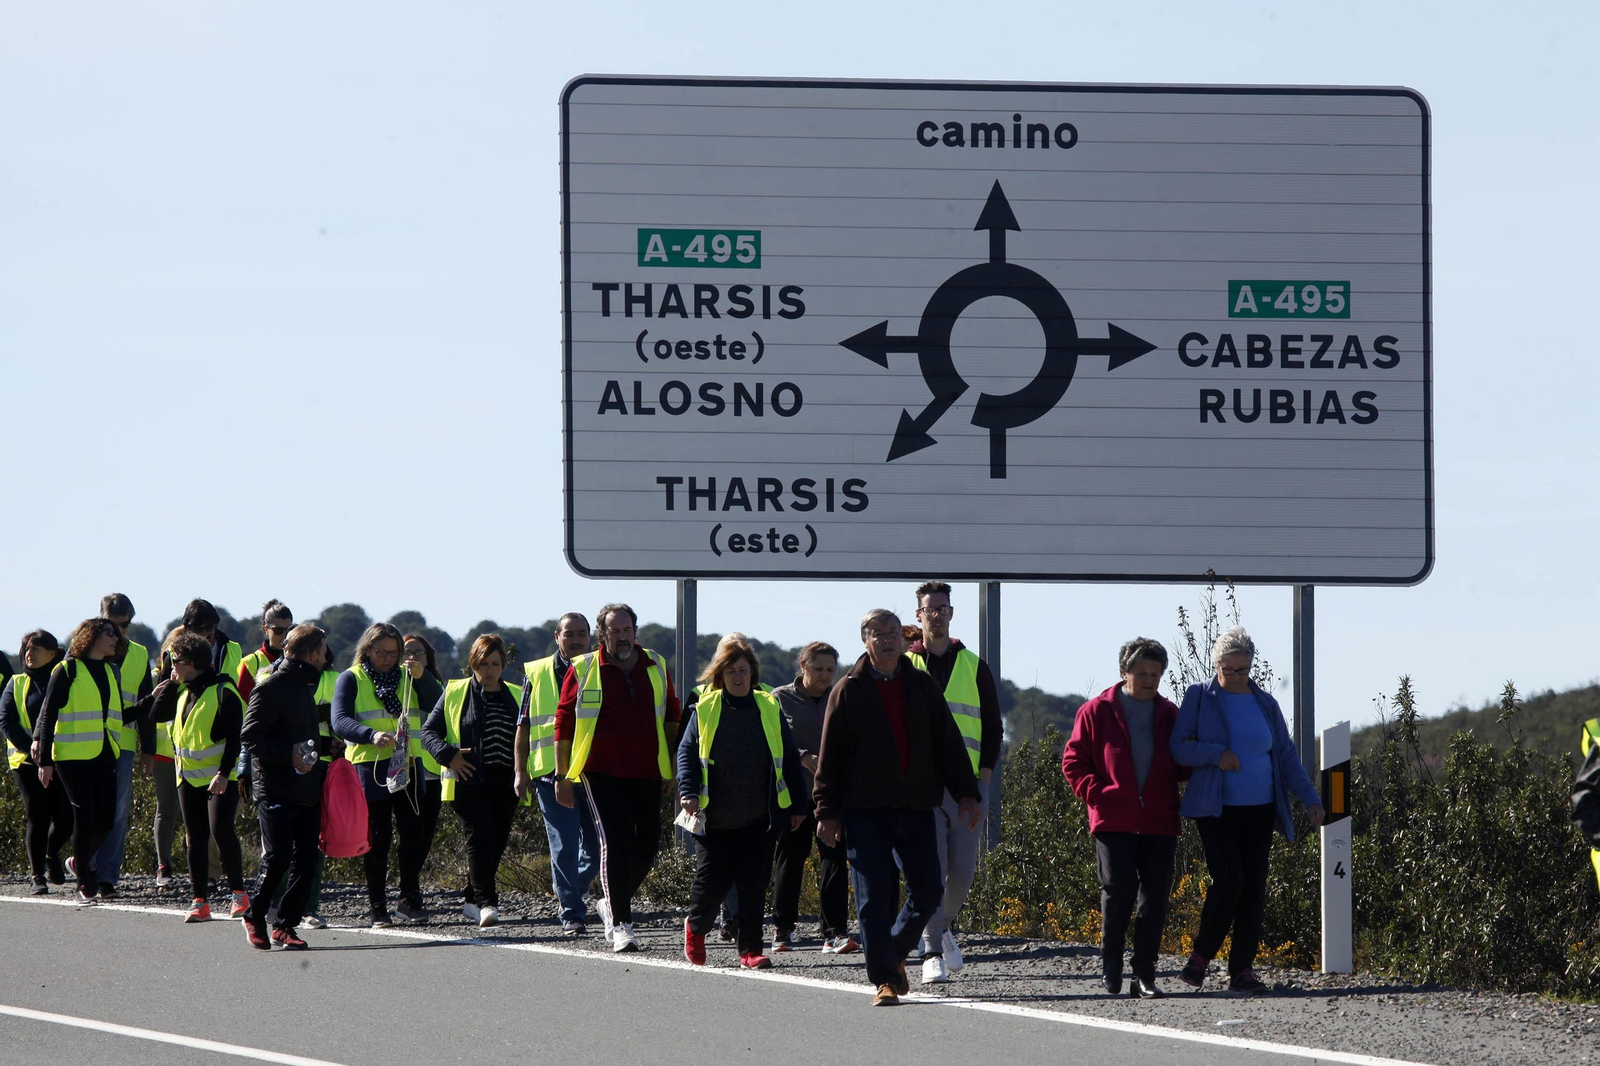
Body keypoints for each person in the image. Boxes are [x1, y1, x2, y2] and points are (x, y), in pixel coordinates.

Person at [813, 609, 982, 1006]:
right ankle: (885, 980)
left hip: (916, 808)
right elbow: (830, 757)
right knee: (873, 899)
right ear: (865, 640)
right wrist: (826, 812)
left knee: (927, 891)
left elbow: (949, 743)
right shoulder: (848, 689)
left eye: (893, 632)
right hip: (865, 812)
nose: (888, 640)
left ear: (903, 640)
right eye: (878, 633)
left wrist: (967, 794)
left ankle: (892, 953)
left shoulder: (922, 686)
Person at [1170, 626, 1324, 995]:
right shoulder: (1199, 697)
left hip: (1260, 808)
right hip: (1215, 808)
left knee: (1253, 889)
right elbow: (1177, 747)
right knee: (1230, 880)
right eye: (1229, 670)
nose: (1236, 677)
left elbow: (1285, 755)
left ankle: (1242, 970)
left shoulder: (1266, 703)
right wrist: (1215, 755)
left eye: (1243, 670)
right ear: (1216, 666)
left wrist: (1310, 798)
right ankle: (1201, 957)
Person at [553, 602, 681, 953]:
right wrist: (562, 776)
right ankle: (622, 925)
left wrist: (671, 766)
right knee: (615, 843)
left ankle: (610, 903)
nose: (622, 637)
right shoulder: (584, 667)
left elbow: (672, 714)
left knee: (648, 847)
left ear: (635, 632)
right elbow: (563, 724)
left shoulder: (656, 664)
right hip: (599, 770)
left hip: (648, 770)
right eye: (615, 631)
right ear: (602, 634)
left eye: (627, 630)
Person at [1062, 638, 1184, 998]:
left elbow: (1184, 762)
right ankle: (1110, 967)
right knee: (1118, 892)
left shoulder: (1170, 714)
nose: (1149, 680)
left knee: (1155, 898)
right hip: (1113, 820)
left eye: (1156, 674)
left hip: (1160, 819)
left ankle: (1144, 974)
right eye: (1142, 673)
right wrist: (1098, 795)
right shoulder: (1096, 711)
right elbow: (1073, 761)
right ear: (1124, 673)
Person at [677, 636, 807, 969]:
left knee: (753, 884)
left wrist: (797, 804)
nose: (738, 677)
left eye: (744, 671)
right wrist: (688, 791)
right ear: (721, 674)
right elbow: (687, 753)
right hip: (713, 816)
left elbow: (789, 758)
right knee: (713, 882)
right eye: (732, 671)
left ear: (753, 673)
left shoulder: (768, 706)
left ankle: (750, 950)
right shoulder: (705, 708)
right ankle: (697, 927)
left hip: (760, 817)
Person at [902, 580, 1003, 984]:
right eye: (931, 609)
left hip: (965, 788)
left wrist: (982, 785)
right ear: (919, 616)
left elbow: (993, 729)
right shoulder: (905, 666)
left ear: (951, 613)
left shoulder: (974, 665)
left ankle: (941, 928)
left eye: (944, 608)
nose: (938, 615)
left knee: (962, 873)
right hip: (920, 788)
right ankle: (930, 953)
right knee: (931, 869)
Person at [33, 618, 161, 906]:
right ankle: (85, 883)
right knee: (85, 816)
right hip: (71, 757)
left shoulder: (111, 671)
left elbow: (119, 715)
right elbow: (48, 714)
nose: (115, 638)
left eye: (115, 634)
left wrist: (151, 699)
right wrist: (45, 760)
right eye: (109, 633)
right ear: (91, 637)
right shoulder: (66, 670)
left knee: (106, 819)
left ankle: (66, 859)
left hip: (105, 754)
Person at [140, 630, 252, 922]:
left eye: (175, 660)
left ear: (192, 662)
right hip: (187, 777)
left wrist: (225, 773)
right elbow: (155, 714)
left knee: (221, 831)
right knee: (195, 838)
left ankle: (239, 895)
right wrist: (168, 684)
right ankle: (199, 901)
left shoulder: (223, 691)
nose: (171, 665)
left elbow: (234, 739)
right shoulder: (182, 690)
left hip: (218, 777)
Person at [332, 622, 436, 927]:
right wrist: (369, 734)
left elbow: (438, 705)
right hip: (370, 765)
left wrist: (423, 678)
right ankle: (377, 906)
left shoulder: (410, 677)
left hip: (408, 763)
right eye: (381, 652)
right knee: (378, 837)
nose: (388, 658)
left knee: (413, 835)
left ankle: (409, 898)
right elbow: (339, 720)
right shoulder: (350, 679)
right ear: (367, 650)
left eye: (394, 653)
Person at [423, 634, 524, 928]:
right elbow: (428, 733)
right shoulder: (455, 692)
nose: (490, 670)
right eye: (483, 664)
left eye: (495, 663)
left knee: (497, 842)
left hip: (506, 783)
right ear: (473, 664)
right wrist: (448, 755)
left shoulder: (517, 695)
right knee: (481, 839)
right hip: (467, 780)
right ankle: (487, 903)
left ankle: (471, 899)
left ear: (503, 664)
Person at [513, 612, 600, 935]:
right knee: (563, 845)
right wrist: (520, 772)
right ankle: (572, 913)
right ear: (557, 637)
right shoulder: (537, 673)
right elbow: (522, 725)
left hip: (593, 772)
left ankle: (572, 889)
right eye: (569, 634)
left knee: (597, 847)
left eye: (582, 634)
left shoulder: (600, 669)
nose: (576, 640)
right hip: (550, 774)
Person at [769, 640, 856, 955]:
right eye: (818, 668)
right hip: (795, 795)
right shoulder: (779, 699)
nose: (825, 675)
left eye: (830, 669)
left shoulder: (843, 697)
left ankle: (835, 933)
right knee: (791, 858)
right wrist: (802, 756)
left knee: (834, 860)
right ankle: (783, 930)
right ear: (803, 666)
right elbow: (770, 742)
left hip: (833, 797)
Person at [150, 600, 243, 888]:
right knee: (190, 828)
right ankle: (198, 892)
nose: (209, 634)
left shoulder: (233, 651)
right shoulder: (173, 656)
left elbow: (234, 700)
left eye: (213, 627)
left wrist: (225, 770)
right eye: (202, 629)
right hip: (181, 753)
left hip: (220, 755)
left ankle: (231, 886)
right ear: (188, 629)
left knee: (222, 829)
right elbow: (158, 707)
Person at [0, 630, 73, 893]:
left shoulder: (61, 679)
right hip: (25, 762)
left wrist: (49, 753)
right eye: (27, 649)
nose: (29, 654)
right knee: (37, 817)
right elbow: (6, 721)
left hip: (60, 758)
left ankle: (51, 855)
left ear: (53, 654)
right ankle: (36, 875)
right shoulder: (16, 683)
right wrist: (34, 751)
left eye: (37, 649)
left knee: (66, 818)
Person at [91, 593, 153, 898]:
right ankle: (86, 869)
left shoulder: (140, 654)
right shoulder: (81, 652)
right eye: (114, 626)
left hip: (124, 743)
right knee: (88, 809)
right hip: (86, 744)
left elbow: (146, 705)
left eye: (126, 625)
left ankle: (107, 877)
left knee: (117, 812)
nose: (120, 632)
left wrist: (149, 750)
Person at [237, 600, 294, 700]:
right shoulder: (251, 663)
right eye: (278, 631)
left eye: (289, 630)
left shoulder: (300, 659)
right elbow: (242, 705)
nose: (284, 636)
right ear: (266, 629)